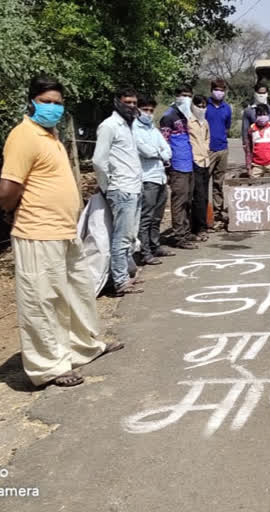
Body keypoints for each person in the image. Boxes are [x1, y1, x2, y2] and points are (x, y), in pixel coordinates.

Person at [0, 76, 123, 387]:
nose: (53, 108)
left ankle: (84, 347)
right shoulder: (23, 136)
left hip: (65, 230)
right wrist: (11, 211)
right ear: (32, 103)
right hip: (37, 230)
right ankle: (49, 366)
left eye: (57, 103)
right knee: (43, 300)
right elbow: (8, 187)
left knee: (77, 292)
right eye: (46, 102)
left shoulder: (51, 136)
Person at [93, 87, 144, 295]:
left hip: (134, 186)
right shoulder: (109, 126)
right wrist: (108, 185)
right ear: (117, 102)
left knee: (130, 235)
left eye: (134, 103)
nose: (131, 106)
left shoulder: (129, 126)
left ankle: (127, 273)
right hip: (121, 188)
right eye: (127, 102)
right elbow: (98, 160)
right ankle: (120, 280)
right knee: (121, 237)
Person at [133, 95, 174, 266]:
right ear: (138, 110)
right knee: (147, 217)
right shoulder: (134, 129)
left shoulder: (152, 129)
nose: (148, 113)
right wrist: (159, 153)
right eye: (145, 110)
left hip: (160, 176)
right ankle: (145, 252)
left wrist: (159, 152)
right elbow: (145, 151)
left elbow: (167, 150)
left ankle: (155, 245)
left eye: (151, 110)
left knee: (157, 216)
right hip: (147, 178)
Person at [160, 84, 197, 249]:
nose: (186, 98)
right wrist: (167, 167)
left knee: (188, 200)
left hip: (189, 164)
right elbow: (164, 142)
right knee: (179, 201)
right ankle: (179, 235)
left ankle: (186, 231)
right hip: (177, 166)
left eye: (189, 95)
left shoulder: (186, 115)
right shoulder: (168, 116)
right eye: (183, 95)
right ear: (176, 96)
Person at [205, 78, 232, 230]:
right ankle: (203, 214)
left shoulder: (226, 108)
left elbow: (227, 127)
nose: (219, 92)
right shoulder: (205, 106)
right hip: (208, 150)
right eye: (217, 89)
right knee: (203, 183)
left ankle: (218, 212)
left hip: (223, 148)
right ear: (212, 90)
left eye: (222, 90)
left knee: (218, 182)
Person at [242, 83, 270, 165]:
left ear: (267, 94)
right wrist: (246, 146)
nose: (261, 95)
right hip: (255, 147)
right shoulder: (248, 111)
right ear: (255, 93)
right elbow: (245, 130)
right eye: (259, 93)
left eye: (264, 93)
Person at [189, 94, 211, 241]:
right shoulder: (189, 122)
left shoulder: (205, 123)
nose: (201, 109)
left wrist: (207, 150)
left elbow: (207, 138)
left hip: (205, 161)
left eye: (204, 106)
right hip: (194, 161)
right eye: (199, 106)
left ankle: (202, 226)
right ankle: (198, 228)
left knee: (204, 197)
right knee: (198, 196)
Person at [246, 103, 270, 178]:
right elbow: (248, 150)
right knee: (252, 183)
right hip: (257, 165)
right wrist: (248, 167)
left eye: (264, 114)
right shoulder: (252, 131)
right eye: (260, 115)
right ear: (256, 116)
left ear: (268, 116)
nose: (262, 117)